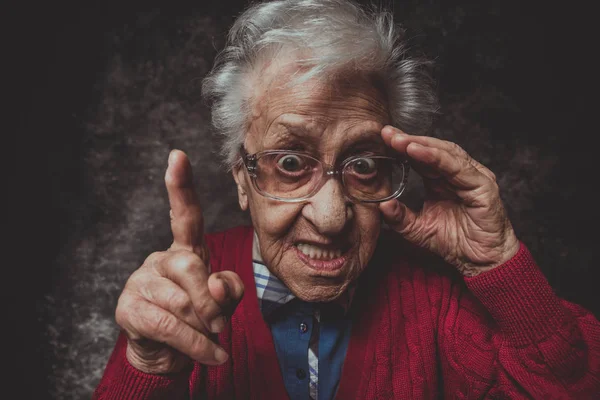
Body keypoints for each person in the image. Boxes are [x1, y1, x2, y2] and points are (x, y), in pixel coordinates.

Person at [93, 0, 600, 399]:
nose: (331, 217)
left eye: (364, 165)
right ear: (242, 179)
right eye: (290, 163)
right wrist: (148, 368)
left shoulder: (437, 295)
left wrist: (497, 263)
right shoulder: (181, 298)